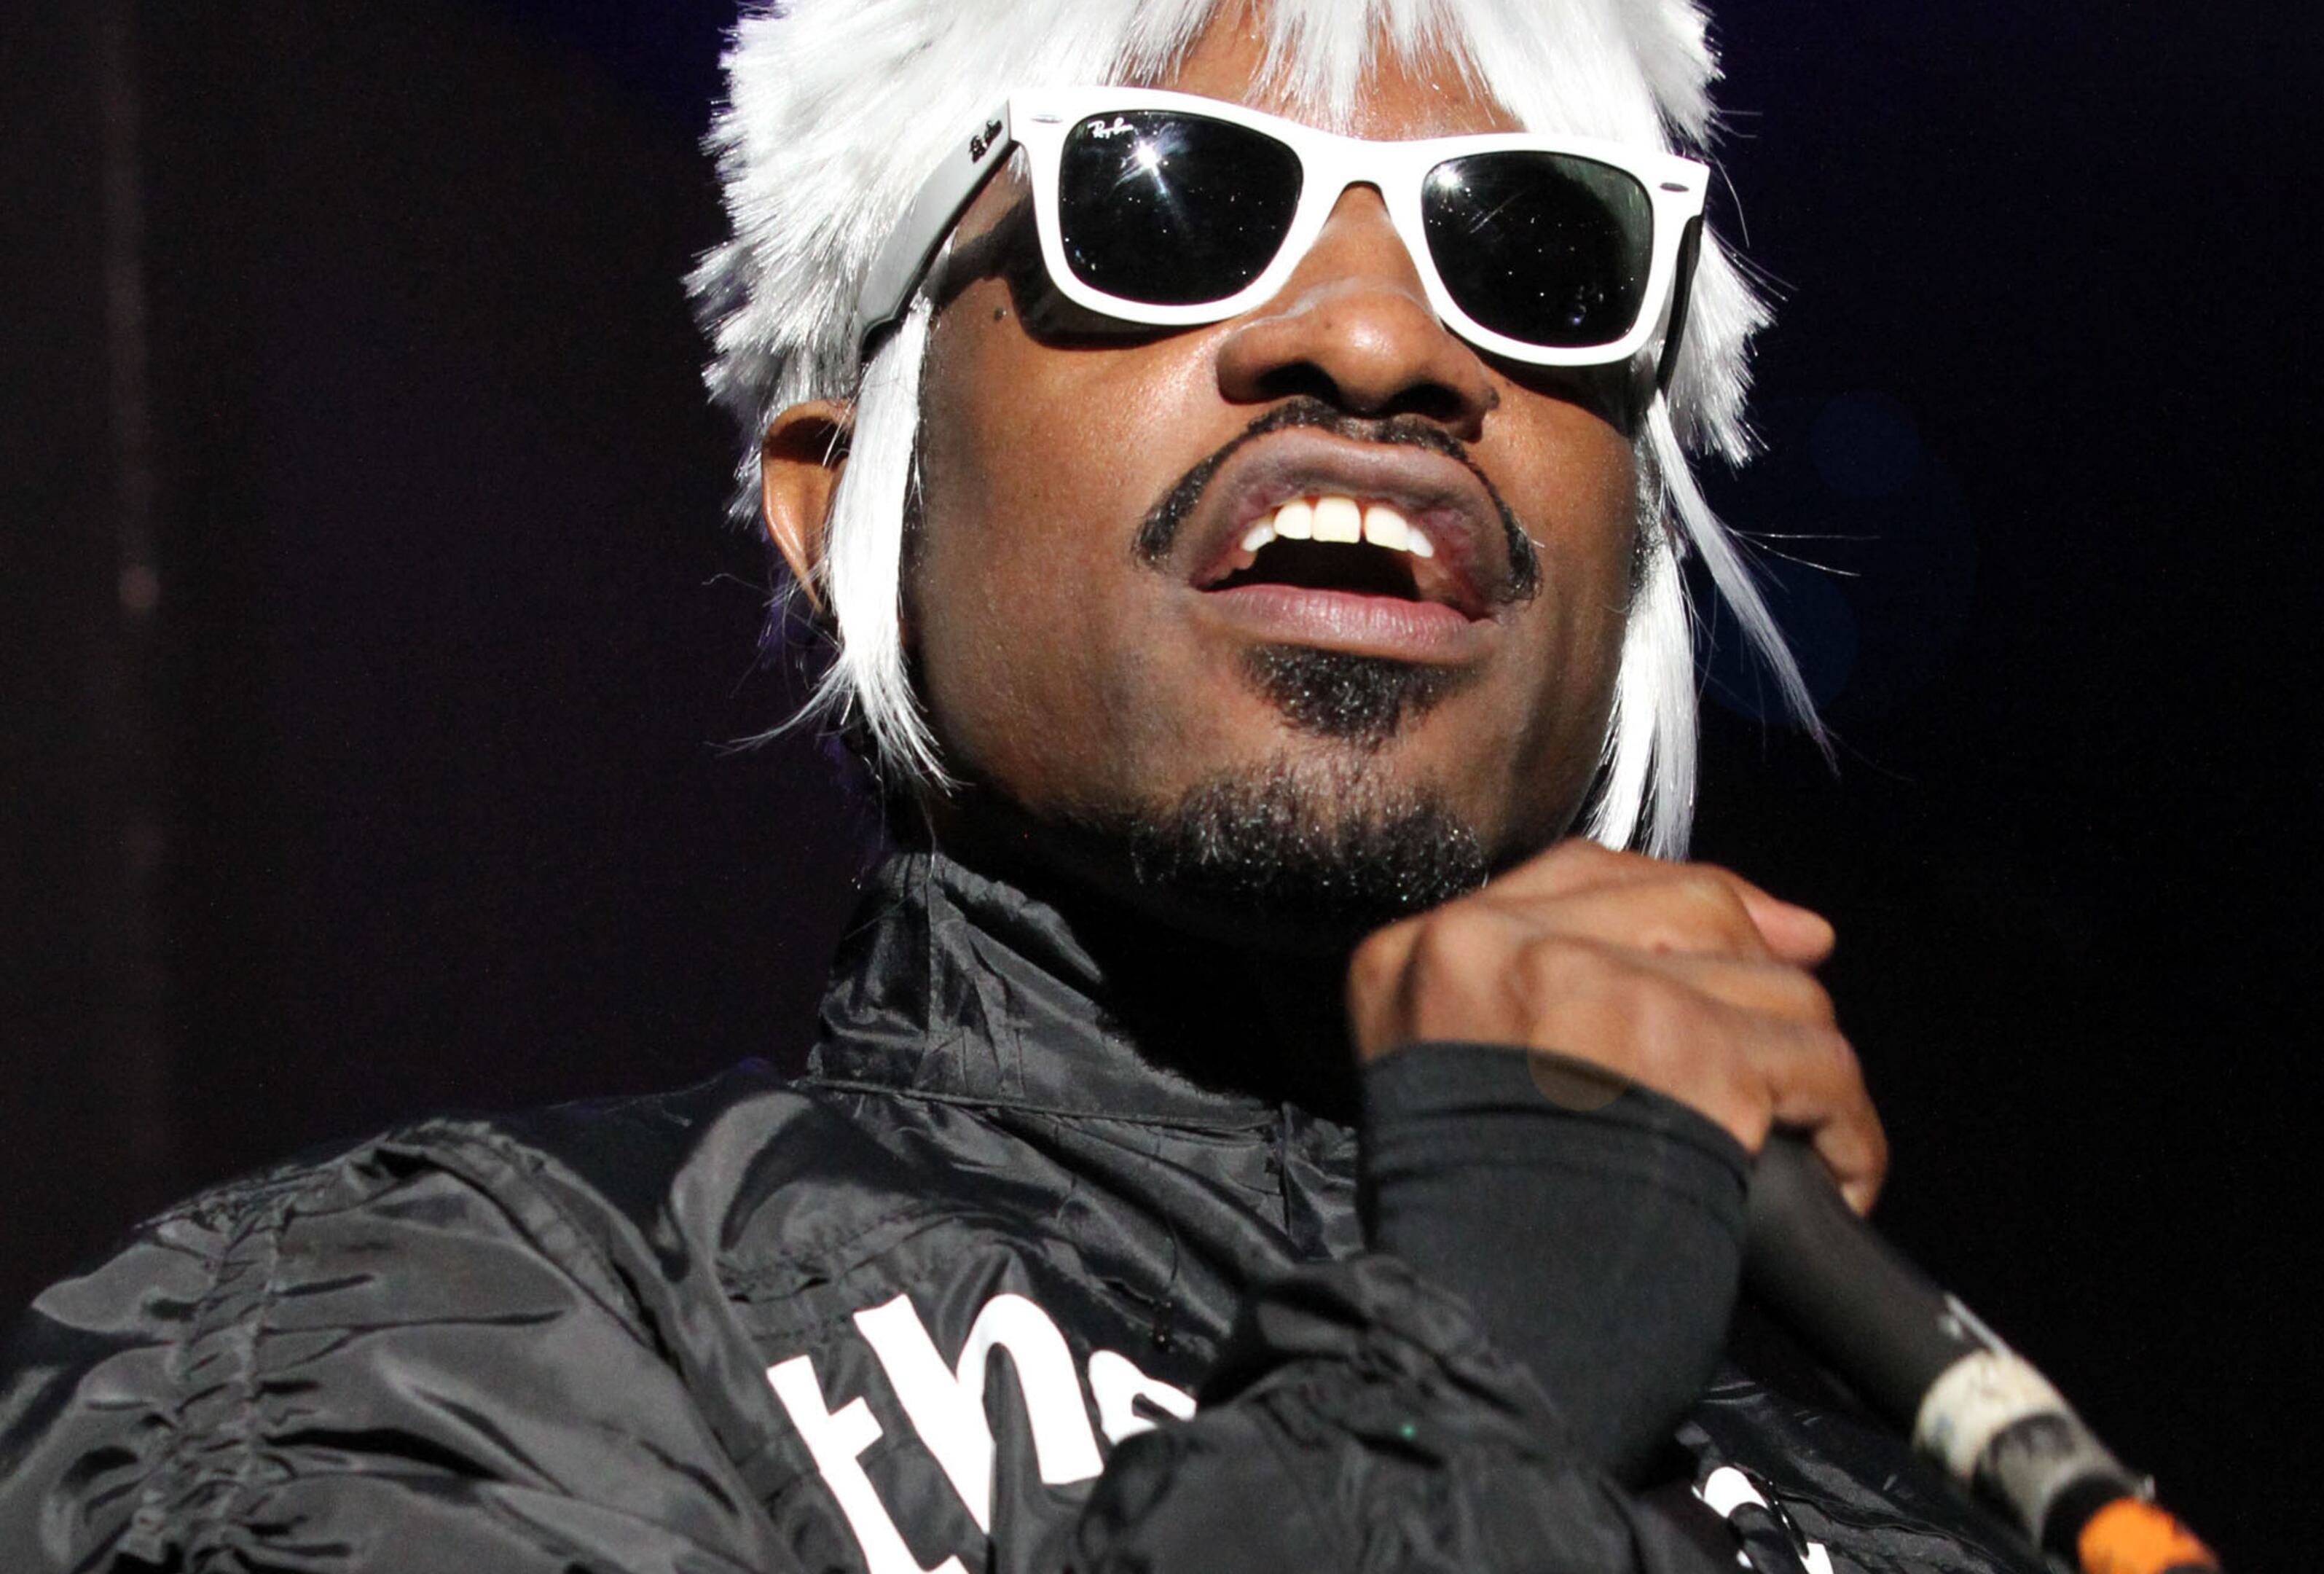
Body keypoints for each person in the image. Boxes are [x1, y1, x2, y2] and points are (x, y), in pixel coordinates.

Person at [0, 3, 2043, 1570]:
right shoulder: (419, 1349)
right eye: (1175, 199)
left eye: (1536, 251)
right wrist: (1472, 1370)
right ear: (835, 501)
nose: (1375, 341)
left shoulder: (1925, 1510)